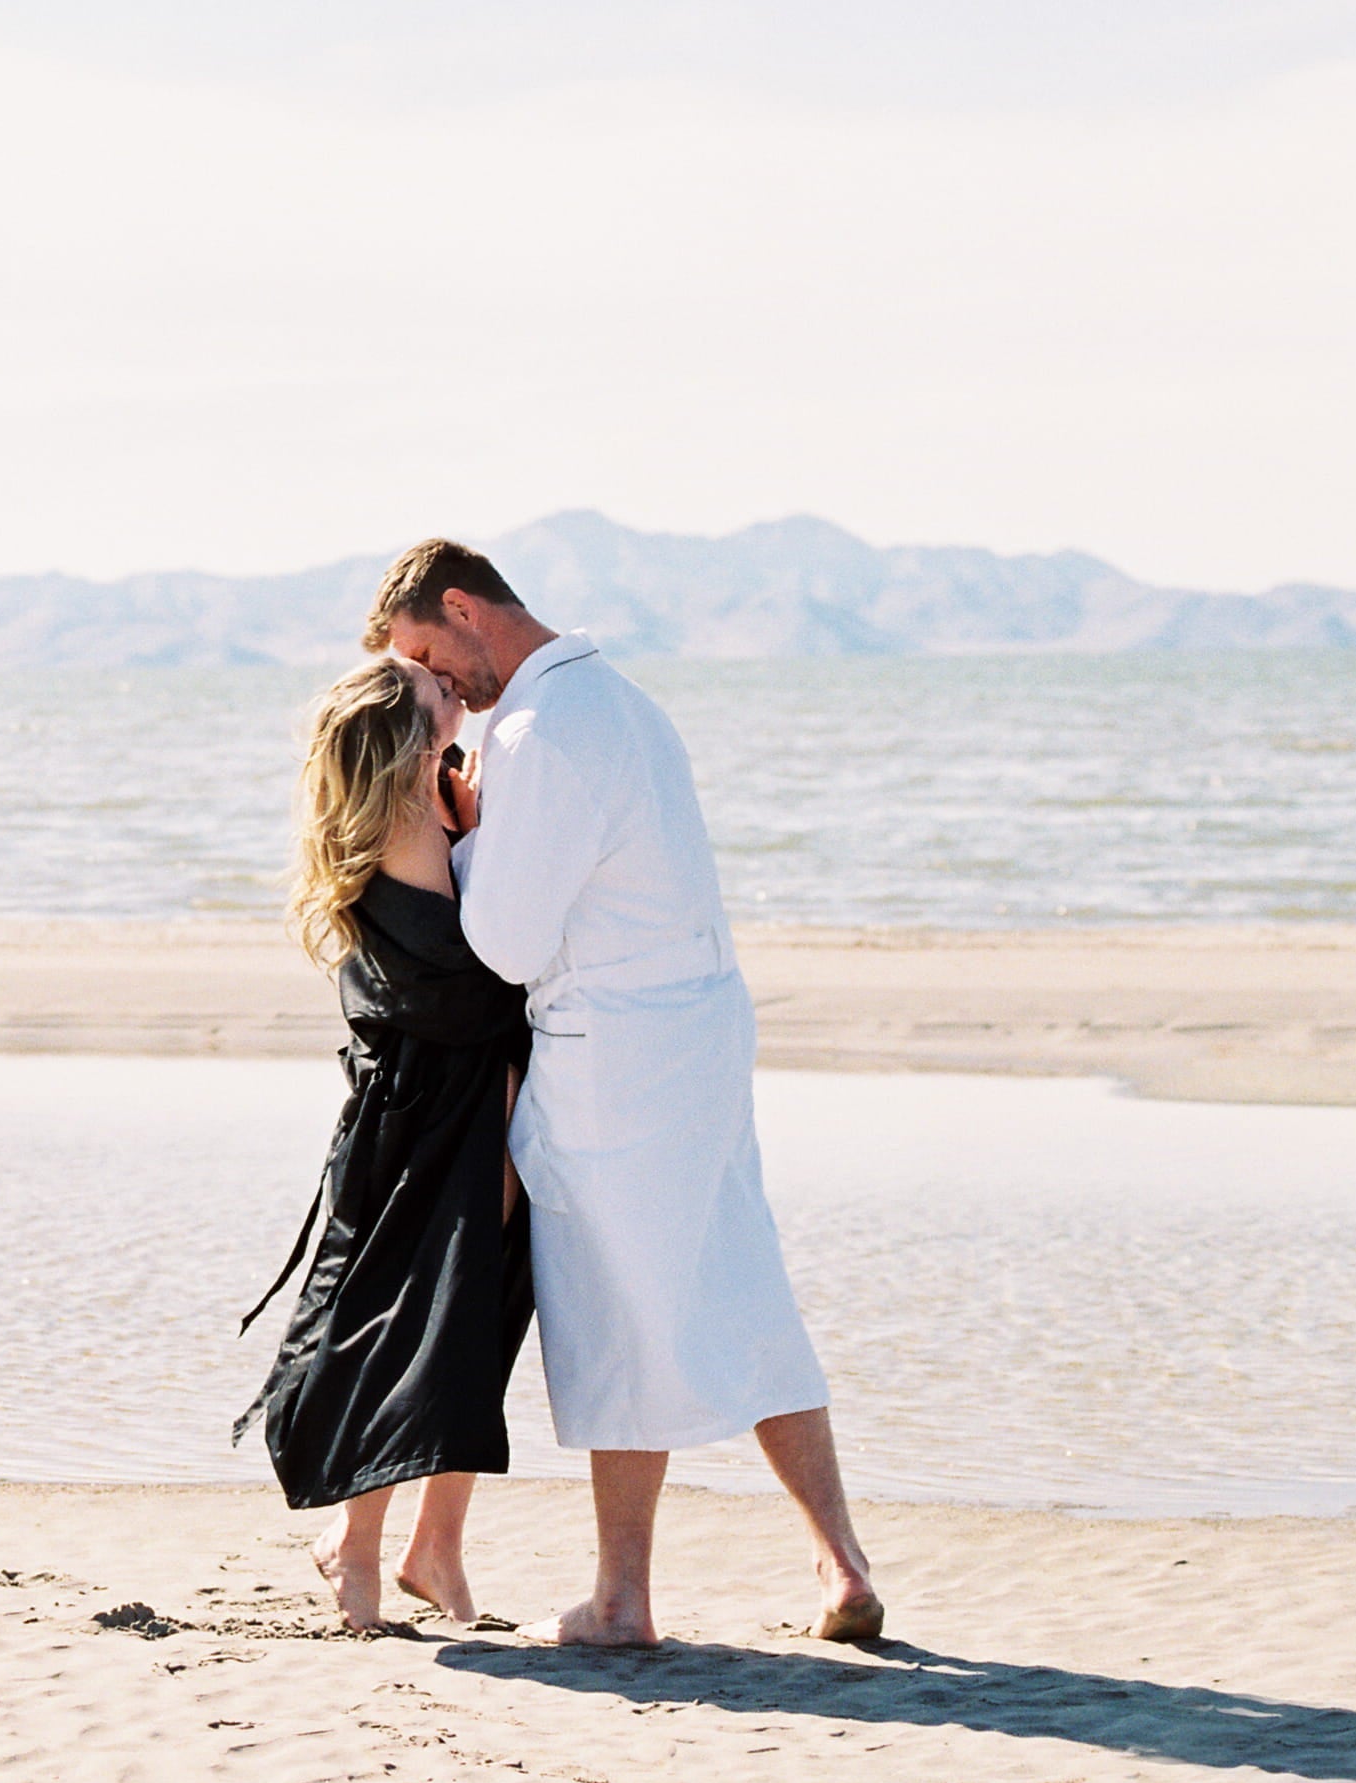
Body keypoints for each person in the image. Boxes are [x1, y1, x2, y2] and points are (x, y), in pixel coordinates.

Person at [371, 536, 884, 1650]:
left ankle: (620, 1599)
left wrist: (456, 837)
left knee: (617, 1311)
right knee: (741, 1283)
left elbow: (506, 944)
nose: (433, 680)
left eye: (426, 652)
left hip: (612, 1052)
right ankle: (840, 1560)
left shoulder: (535, 733)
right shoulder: (622, 700)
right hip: (702, 1026)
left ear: (463, 607)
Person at [238, 656, 540, 1635]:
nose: (454, 691)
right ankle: (358, 1541)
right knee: (415, 1320)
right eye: (434, 692)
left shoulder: (436, 794)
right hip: (428, 1115)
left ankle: (433, 1545)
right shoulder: (405, 817)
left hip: (475, 1104)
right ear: (406, 733)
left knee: (476, 1313)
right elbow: (467, 979)